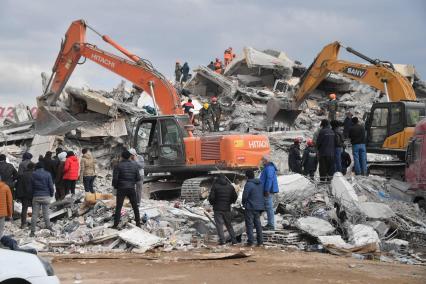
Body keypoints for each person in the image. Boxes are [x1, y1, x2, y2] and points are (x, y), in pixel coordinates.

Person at [112, 150, 141, 228]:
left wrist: (116, 187)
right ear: (129, 156)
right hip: (131, 188)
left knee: (119, 207)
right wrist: (132, 183)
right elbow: (138, 178)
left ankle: (115, 225)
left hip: (121, 188)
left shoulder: (118, 165)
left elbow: (115, 179)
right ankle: (138, 223)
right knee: (135, 206)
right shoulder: (135, 165)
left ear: (121, 157)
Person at [208, 174, 238, 245]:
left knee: (219, 225)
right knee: (229, 225)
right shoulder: (230, 187)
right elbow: (235, 197)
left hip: (217, 209)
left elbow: (211, 198)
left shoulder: (215, 186)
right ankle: (234, 241)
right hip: (227, 208)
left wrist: (213, 203)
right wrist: (230, 202)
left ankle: (222, 241)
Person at [30, 162, 54, 237]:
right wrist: (51, 194)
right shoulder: (48, 174)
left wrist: (32, 194)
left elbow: (31, 186)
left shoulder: (33, 174)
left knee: (34, 214)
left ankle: (32, 231)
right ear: (43, 167)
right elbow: (51, 185)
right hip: (46, 196)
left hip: (36, 196)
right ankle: (49, 227)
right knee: (46, 213)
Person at [242, 170, 264, 246]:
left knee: (250, 224)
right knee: (258, 224)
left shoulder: (248, 184)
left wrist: (243, 203)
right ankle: (260, 241)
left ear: (247, 176)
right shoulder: (260, 183)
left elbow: (245, 196)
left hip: (250, 207)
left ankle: (250, 241)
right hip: (259, 207)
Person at [259, 154, 279, 230]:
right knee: (268, 207)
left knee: (269, 207)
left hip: (268, 191)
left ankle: (271, 225)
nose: (261, 162)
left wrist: (266, 190)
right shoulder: (268, 167)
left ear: (265, 160)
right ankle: (270, 224)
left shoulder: (269, 168)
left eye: (262, 160)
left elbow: (269, 179)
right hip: (267, 190)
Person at [15, 162, 34, 228]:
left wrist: (18, 196)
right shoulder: (35, 175)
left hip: (24, 195)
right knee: (35, 208)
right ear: (33, 168)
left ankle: (23, 223)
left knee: (24, 208)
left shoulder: (22, 175)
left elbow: (19, 185)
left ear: (27, 168)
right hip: (33, 194)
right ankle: (33, 224)